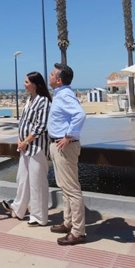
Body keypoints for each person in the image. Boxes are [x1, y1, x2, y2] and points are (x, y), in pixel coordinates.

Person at [0, 71, 51, 226]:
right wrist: (19, 139)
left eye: (27, 82)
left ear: (36, 84)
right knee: (22, 179)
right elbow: (24, 122)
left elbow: (40, 126)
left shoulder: (43, 101)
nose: (24, 84)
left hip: (36, 148)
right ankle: (18, 209)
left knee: (37, 182)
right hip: (26, 147)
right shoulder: (30, 99)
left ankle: (38, 216)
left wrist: (26, 141)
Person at [47, 63, 87, 246]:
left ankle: (78, 232)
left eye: (53, 74)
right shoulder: (60, 94)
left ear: (59, 79)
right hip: (57, 144)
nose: (49, 75)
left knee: (71, 189)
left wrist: (69, 136)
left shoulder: (65, 95)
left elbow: (80, 114)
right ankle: (68, 222)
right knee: (65, 187)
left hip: (64, 145)